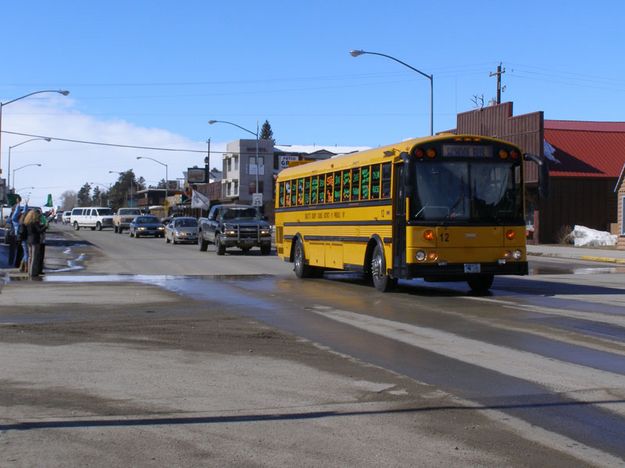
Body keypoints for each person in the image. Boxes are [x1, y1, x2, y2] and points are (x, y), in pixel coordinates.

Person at [24, 208, 47, 277]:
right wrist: (45, 226)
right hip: (35, 240)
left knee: (30, 257)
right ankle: (33, 272)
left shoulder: (27, 222)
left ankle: (29, 271)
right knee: (34, 257)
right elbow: (39, 231)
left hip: (29, 240)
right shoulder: (35, 222)